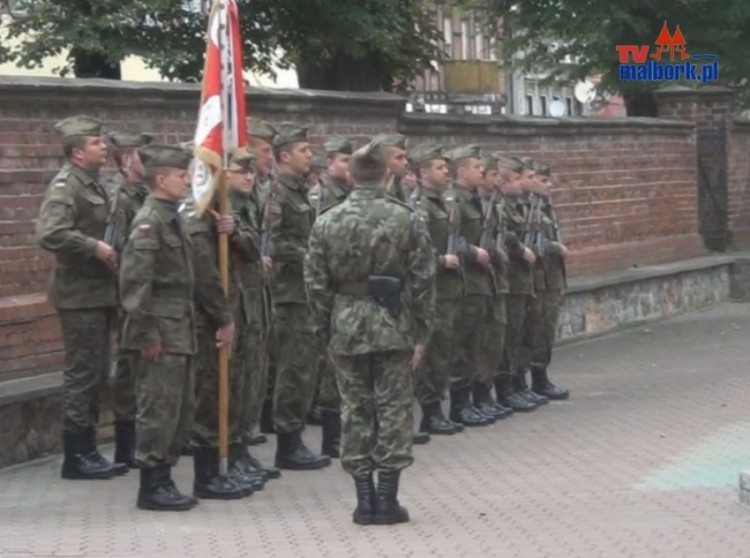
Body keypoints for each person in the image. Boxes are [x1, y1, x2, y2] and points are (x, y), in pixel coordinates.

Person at [304, 140, 435, 525]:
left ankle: (364, 500)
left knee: (355, 409)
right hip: (394, 324)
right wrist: (422, 333)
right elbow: (424, 280)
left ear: (350, 174)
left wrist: (324, 330)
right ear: (386, 173)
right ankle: (386, 498)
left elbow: (314, 282)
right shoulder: (406, 218)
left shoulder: (327, 220)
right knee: (393, 409)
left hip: (345, 324)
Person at [119, 144, 232, 511]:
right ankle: (151, 484)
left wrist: (220, 316)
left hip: (179, 328)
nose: (188, 182)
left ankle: (164, 476)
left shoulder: (172, 217)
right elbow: (135, 285)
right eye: (182, 177)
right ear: (162, 179)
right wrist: (146, 334)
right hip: (160, 331)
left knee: (179, 408)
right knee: (158, 407)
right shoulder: (150, 221)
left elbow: (195, 275)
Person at [36, 115, 126, 480]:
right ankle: (76, 456)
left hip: (99, 293)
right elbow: (50, 233)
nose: (103, 146)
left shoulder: (94, 183)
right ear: (76, 152)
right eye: (95, 142)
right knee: (82, 374)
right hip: (79, 296)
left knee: (97, 371)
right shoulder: (66, 186)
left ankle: (88, 449)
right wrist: (94, 247)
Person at [185, 148, 259, 500]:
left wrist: (234, 232)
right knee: (210, 394)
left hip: (231, 310)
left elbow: (252, 251)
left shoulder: (223, 212)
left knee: (231, 387)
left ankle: (226, 462)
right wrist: (223, 317)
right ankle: (208, 475)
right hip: (208, 319)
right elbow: (205, 276)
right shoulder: (196, 215)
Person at [268, 122, 331, 470]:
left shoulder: (299, 191)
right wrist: (306, 253)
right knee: (293, 369)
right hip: (289, 294)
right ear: (285, 156)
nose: (310, 156)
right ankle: (288, 442)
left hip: (304, 292)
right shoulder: (278, 193)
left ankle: (295, 437)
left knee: (305, 367)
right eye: (304, 151)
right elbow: (273, 241)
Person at [408, 144, 463, 436]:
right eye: (439, 167)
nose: (446, 172)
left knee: (444, 349)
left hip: (448, 289)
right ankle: (430, 410)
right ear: (423, 172)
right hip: (431, 289)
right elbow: (416, 251)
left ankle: (437, 408)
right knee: (431, 352)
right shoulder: (420, 206)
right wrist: (442, 260)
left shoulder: (444, 202)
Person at [107, 131, 153, 469]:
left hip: (142, 290)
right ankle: (125, 442)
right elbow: (119, 248)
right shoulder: (122, 197)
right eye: (142, 156)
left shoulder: (148, 194)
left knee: (141, 366)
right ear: (127, 161)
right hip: (127, 291)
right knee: (127, 365)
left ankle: (142, 437)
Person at [445, 145, 495, 427]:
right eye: (477, 167)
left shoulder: (474, 199)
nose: (482, 172)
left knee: (474, 343)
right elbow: (450, 238)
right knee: (462, 346)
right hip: (462, 282)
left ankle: (471, 401)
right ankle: (459, 406)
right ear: (462, 170)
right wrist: (472, 252)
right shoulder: (455, 201)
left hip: (478, 282)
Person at [313, 136, 354, 458]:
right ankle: (331, 439)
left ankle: (342, 434)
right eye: (342, 160)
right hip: (327, 290)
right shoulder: (322, 196)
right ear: (329, 163)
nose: (348, 166)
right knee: (330, 367)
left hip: (344, 289)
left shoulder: (348, 195)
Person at [495, 155, 539, 412]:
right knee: (508, 337)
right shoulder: (500, 206)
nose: (527, 183)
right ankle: (505, 388)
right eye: (524, 178)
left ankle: (518, 383)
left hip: (523, 280)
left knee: (522, 335)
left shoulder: (523, 205)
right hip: (509, 280)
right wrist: (519, 249)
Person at [525, 160, 570, 400]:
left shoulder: (545, 207)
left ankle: (541, 377)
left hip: (551, 278)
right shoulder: (530, 210)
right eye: (543, 180)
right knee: (536, 331)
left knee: (546, 330)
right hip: (538, 280)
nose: (548, 185)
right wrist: (554, 247)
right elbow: (530, 243)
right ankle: (535, 380)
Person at [473, 153, 513, 419]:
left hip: (495, 282)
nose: (497, 180)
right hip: (475, 284)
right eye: (491, 174)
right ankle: (476, 397)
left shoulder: (494, 205)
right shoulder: (468, 204)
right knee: (478, 343)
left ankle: (490, 391)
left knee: (497, 340)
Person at [370, 133, 409, 203]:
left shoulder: (404, 186)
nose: (405, 162)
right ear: (382, 160)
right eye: (399, 158)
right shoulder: (372, 191)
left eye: (405, 157)